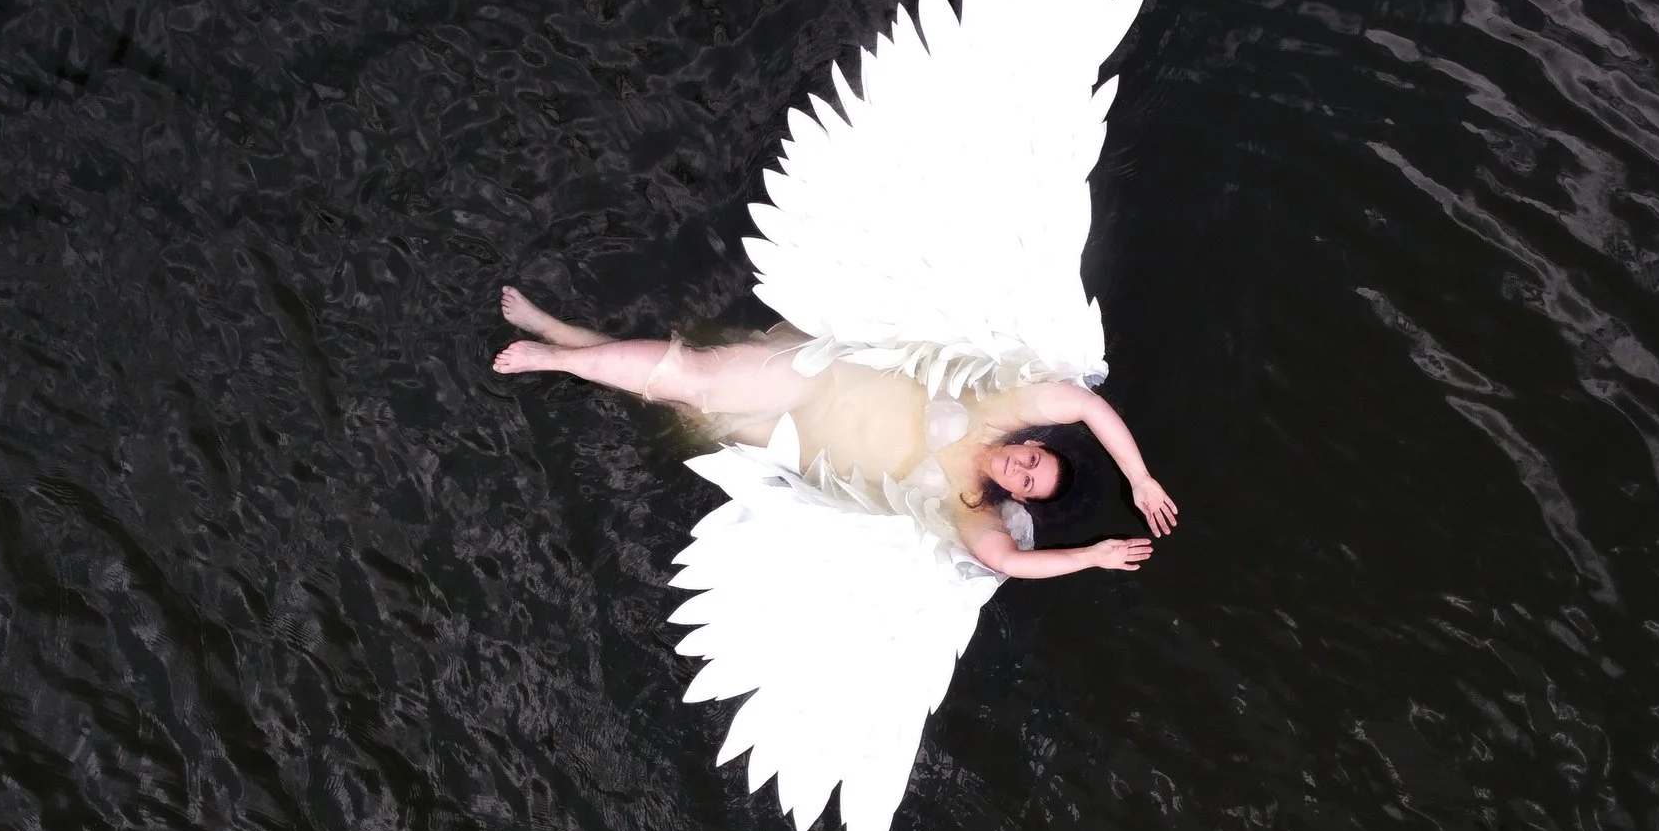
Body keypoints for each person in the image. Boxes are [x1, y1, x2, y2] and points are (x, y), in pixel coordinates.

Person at [494, 287, 1178, 578]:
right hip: (813, 380)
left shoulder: (966, 510)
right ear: (1036, 443)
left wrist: (1089, 557)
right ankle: (553, 355)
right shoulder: (995, 408)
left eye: (1027, 482)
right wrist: (1139, 477)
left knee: (681, 397)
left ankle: (562, 336)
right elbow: (1081, 403)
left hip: (791, 444)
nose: (1017, 469)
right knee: (693, 374)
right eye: (1033, 458)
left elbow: (1008, 564)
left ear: (1023, 498)